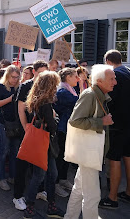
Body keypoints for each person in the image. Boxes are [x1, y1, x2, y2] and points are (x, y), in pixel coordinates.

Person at [64, 64, 116, 219]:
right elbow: (75, 121)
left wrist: (102, 121)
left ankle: (70, 217)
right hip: (89, 153)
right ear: (99, 81)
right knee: (92, 195)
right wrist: (102, 122)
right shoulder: (90, 95)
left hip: (90, 152)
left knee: (79, 189)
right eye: (112, 79)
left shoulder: (97, 95)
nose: (115, 82)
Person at [100, 49, 130, 209]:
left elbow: (110, 99)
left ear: (108, 61)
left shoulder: (115, 75)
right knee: (127, 156)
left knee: (115, 159)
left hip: (117, 124)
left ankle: (112, 197)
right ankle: (129, 193)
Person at [23, 71, 65, 219]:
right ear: (50, 85)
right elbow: (53, 126)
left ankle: (49, 205)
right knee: (40, 175)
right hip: (45, 143)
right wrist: (55, 117)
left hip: (42, 143)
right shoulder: (46, 103)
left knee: (50, 174)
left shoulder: (37, 100)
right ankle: (30, 207)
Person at [13, 60, 48, 211]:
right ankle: (17, 196)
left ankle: (38, 191)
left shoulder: (45, 87)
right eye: (40, 73)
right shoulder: (25, 86)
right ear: (34, 72)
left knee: (38, 162)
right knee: (22, 164)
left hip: (40, 131)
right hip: (26, 130)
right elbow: (21, 110)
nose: (42, 76)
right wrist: (25, 127)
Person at [0, 65, 20, 191]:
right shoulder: (0, 87)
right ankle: (1, 178)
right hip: (4, 123)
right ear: (7, 76)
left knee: (15, 152)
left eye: (17, 77)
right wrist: (10, 99)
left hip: (17, 123)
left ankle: (12, 176)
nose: (14, 79)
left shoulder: (20, 87)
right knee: (3, 151)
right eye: (12, 77)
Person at [53, 68, 79, 197]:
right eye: (75, 76)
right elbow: (79, 102)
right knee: (61, 155)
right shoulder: (63, 91)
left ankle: (63, 179)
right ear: (68, 77)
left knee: (67, 155)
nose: (78, 79)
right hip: (62, 128)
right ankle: (56, 183)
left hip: (69, 127)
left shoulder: (70, 89)